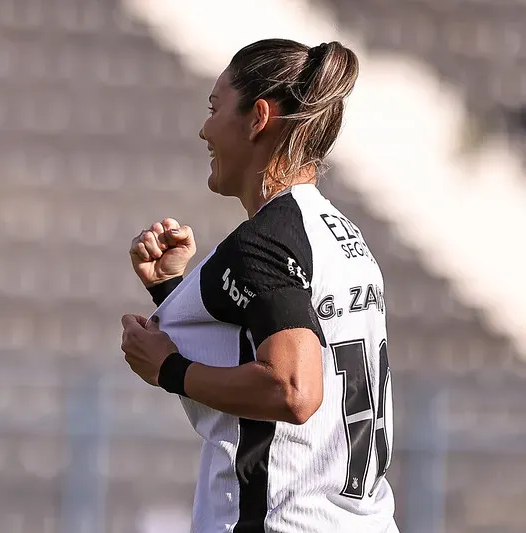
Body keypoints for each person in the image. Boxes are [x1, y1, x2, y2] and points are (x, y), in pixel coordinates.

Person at [120, 39, 397, 533]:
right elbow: (261, 340)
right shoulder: (341, 236)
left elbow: (292, 389)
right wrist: (170, 289)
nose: (204, 129)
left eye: (215, 108)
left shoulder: (266, 242)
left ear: (258, 118)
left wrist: (169, 370)